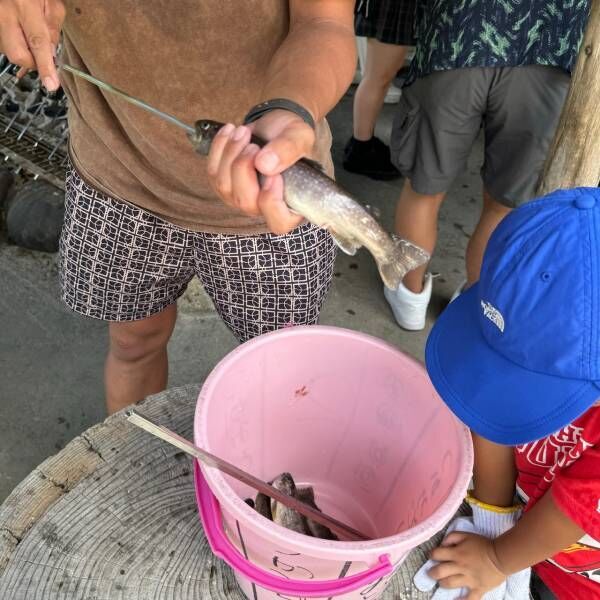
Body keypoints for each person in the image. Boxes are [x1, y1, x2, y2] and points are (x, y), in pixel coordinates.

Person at [0, 0, 356, 414]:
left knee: (282, 371)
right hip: (117, 167)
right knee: (134, 342)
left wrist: (289, 109)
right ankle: (133, 462)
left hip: (275, 192)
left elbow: (324, 22)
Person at [419, 188, 600, 600]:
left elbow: (577, 509)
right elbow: (490, 408)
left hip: (577, 579)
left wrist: (498, 559)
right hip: (525, 525)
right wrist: (491, 518)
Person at [383, 0, 590, 331]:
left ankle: (410, 296)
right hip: (549, 46)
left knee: (425, 188)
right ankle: (474, 300)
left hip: (458, 36)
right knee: (504, 203)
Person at [343, 0, 416, 180]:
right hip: (395, 8)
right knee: (378, 78)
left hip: (391, 8)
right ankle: (361, 147)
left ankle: (362, 142)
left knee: (377, 77)